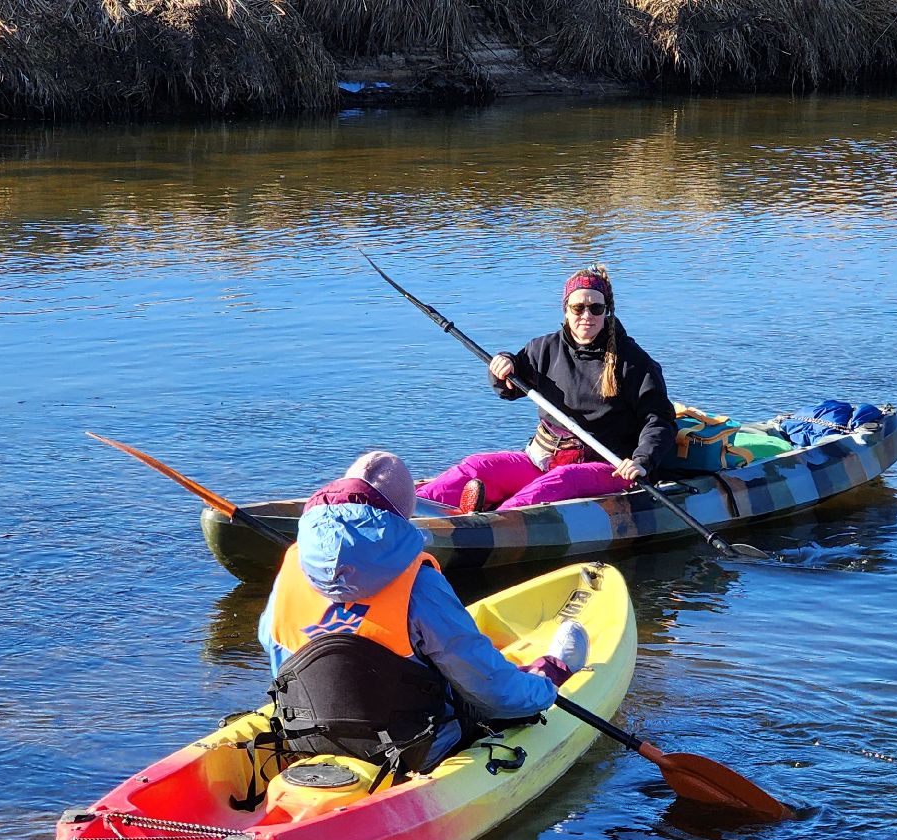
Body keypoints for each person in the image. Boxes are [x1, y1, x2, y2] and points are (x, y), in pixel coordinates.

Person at [258, 452, 588, 780]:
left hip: (309, 740)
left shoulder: (290, 570)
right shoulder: (420, 584)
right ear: (401, 516)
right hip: (416, 748)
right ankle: (552, 668)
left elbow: (279, 662)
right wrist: (543, 690)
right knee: (491, 688)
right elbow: (493, 693)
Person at [416, 264, 678, 513]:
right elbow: (509, 389)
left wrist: (642, 461)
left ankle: (489, 524)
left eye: (596, 308)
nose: (587, 316)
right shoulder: (544, 348)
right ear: (566, 310)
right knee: (478, 466)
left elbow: (659, 419)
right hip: (543, 459)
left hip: (610, 468)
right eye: (578, 308)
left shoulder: (634, 362)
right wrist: (504, 363)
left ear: (606, 311)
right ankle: (406, 507)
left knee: (560, 480)